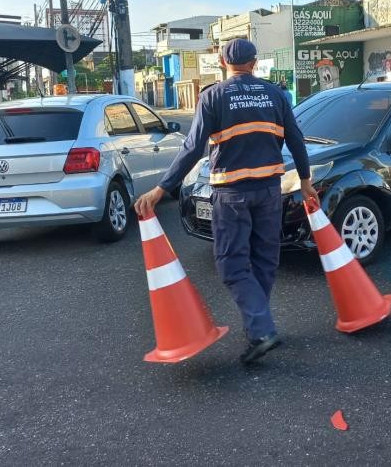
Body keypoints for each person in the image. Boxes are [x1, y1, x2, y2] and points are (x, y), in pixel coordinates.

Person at [135, 39, 317, 364]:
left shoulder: (213, 97)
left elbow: (192, 148)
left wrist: (162, 188)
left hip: (232, 194)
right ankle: (259, 327)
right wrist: (305, 181)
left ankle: (262, 329)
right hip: (269, 191)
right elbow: (296, 139)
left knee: (231, 263)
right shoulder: (276, 94)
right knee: (264, 260)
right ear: (255, 62)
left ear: (222, 61)